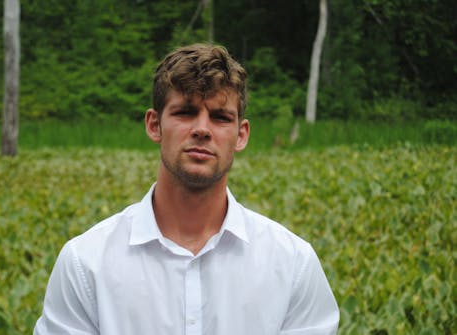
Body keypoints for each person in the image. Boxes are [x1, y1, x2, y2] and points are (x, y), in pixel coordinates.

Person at [34, 43, 339, 335]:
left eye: (220, 117)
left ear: (241, 135)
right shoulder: (86, 263)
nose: (202, 129)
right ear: (154, 125)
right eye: (185, 112)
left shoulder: (292, 264)